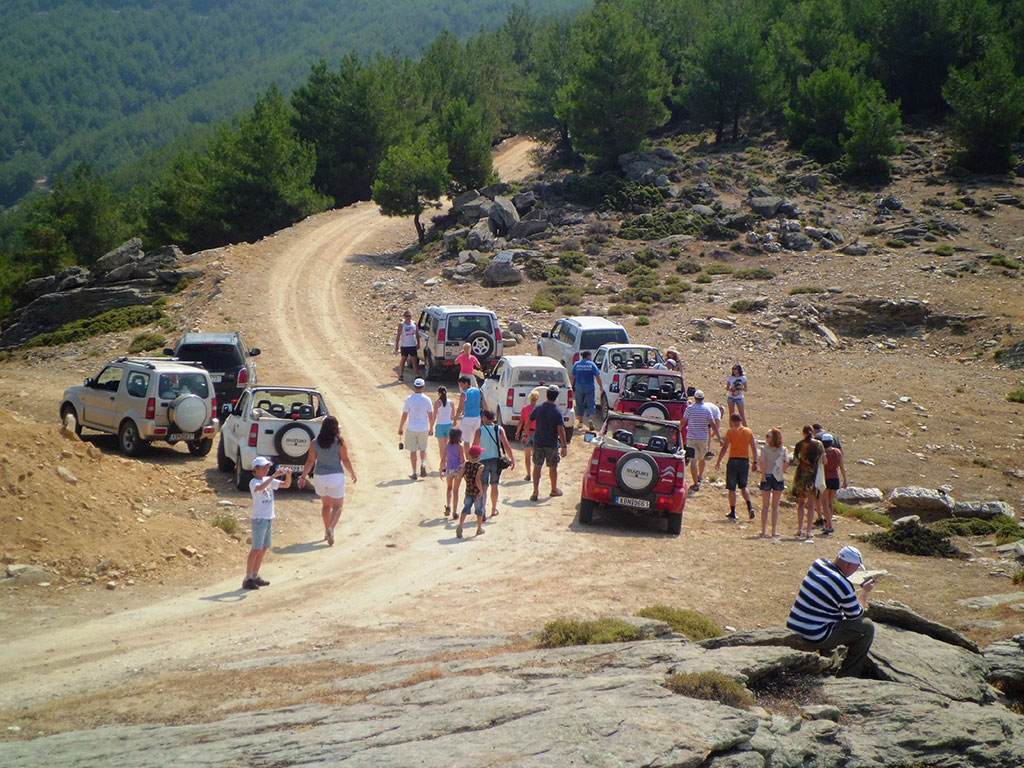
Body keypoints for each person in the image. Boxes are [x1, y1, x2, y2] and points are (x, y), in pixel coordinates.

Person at [787, 545, 876, 678]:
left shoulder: (818, 565)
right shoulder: (845, 586)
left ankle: (829, 664)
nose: (856, 571)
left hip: (795, 624)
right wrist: (864, 592)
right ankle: (847, 675)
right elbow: (855, 615)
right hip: (815, 635)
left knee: (834, 618)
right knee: (867, 627)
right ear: (848, 566)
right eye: (856, 567)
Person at [298, 416, 356, 546]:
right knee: (338, 506)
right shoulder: (339, 442)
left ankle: (326, 531)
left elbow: (310, 461)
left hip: (320, 477)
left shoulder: (315, 442)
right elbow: (345, 459)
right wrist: (352, 473)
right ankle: (331, 528)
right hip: (336, 476)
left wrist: (303, 477)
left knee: (326, 506)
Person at [243, 457, 291, 590]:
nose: (266, 470)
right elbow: (260, 488)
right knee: (256, 549)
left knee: (263, 549)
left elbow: (285, 485)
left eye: (267, 468)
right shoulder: (254, 482)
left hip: (269, 518)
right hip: (259, 519)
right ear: (256, 468)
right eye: (263, 467)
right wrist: (274, 475)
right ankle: (248, 578)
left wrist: (288, 476)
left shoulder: (267, 480)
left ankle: (255, 575)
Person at [528, 385, 568, 502]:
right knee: (553, 467)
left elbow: (529, 422)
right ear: (556, 397)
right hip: (551, 443)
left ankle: (535, 491)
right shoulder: (557, 411)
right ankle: (553, 489)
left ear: (546, 395)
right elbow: (561, 429)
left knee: (537, 466)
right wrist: (564, 446)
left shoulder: (538, 408)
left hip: (538, 442)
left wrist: (526, 435)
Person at [473, 409, 515, 518]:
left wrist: (474, 461)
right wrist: (512, 459)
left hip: (483, 461)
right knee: (495, 485)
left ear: (486, 418)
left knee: (484, 487)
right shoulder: (499, 429)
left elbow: (475, 447)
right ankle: (493, 509)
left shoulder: (480, 430)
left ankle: (482, 511)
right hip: (496, 461)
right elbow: (506, 444)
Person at [715, 413, 758, 520]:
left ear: (732, 421)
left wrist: (719, 461)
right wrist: (755, 462)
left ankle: (733, 511)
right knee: (744, 486)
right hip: (745, 461)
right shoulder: (748, 431)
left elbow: (725, 448)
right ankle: (750, 507)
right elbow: (753, 447)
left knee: (732, 488)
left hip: (733, 460)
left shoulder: (731, 432)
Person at [680, 389, 721, 491]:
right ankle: (700, 476)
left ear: (694, 398)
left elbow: (683, 422)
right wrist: (719, 438)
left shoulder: (690, 409)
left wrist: (677, 430)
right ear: (703, 398)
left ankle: (695, 483)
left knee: (693, 461)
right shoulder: (707, 410)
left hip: (692, 438)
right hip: (703, 438)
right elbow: (713, 425)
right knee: (702, 458)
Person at [398, 377, 435, 480]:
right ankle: (423, 464)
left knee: (413, 451)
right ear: (423, 387)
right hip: (423, 428)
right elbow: (430, 415)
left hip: (412, 428)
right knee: (423, 449)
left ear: (414, 387)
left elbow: (405, 414)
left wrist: (401, 427)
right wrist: (431, 428)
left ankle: (414, 472)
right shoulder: (427, 399)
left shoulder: (409, 399)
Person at [793, 424, 825, 539]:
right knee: (811, 504)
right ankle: (808, 531)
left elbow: (796, 459)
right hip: (813, 476)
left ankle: (799, 529)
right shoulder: (819, 445)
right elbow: (824, 460)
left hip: (802, 475)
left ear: (803, 433)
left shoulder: (799, 445)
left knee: (801, 503)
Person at [758, 427, 790, 538]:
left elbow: (762, 462)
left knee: (765, 505)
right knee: (775, 506)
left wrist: (762, 476)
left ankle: (763, 531)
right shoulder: (783, 449)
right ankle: (774, 531)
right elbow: (787, 461)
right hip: (777, 477)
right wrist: (782, 471)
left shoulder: (764, 449)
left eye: (768, 436)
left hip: (766, 475)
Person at [456, 445, 486, 538]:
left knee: (466, 508)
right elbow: (477, 479)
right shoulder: (480, 466)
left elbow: (460, 475)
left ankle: (460, 526)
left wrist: (466, 480)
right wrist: (481, 490)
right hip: (477, 491)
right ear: (479, 455)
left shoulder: (466, 464)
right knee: (479, 510)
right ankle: (479, 528)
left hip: (468, 490)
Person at [820, 434, 847, 535]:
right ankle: (828, 523)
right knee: (830, 503)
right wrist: (845, 480)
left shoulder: (823, 453)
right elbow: (842, 467)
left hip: (825, 479)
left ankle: (829, 525)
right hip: (835, 478)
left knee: (825, 503)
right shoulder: (838, 452)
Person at [454, 375, 488, 453]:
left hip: (467, 419)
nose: (461, 387)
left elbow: (460, 408)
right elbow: (485, 404)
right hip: (477, 418)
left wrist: (455, 419)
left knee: (466, 441)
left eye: (461, 384)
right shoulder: (479, 391)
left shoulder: (464, 394)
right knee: (476, 440)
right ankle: (476, 457)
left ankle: (468, 459)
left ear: (466, 383)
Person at [570, 350, 603, 430]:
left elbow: (572, 377)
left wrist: (571, 387)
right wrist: (601, 386)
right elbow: (597, 376)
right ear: (588, 356)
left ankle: (580, 422)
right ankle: (590, 420)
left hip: (579, 387)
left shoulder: (576, 364)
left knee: (579, 404)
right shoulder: (592, 365)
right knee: (591, 404)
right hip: (589, 387)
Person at [440, 427, 464, 518]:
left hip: (449, 469)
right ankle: (455, 512)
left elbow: (443, 460)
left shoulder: (447, 446)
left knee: (449, 488)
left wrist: (441, 470)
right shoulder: (460, 447)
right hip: (458, 469)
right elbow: (463, 460)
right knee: (456, 491)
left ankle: (448, 506)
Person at [516, 390, 539, 481]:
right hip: (536, 434)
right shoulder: (539, 409)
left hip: (527, 434)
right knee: (536, 456)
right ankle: (535, 473)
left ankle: (528, 474)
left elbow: (521, 422)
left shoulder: (525, 409)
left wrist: (518, 432)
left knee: (527, 456)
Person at [394, 310, 420, 380]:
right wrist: (397, 345)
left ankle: (417, 374)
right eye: (407, 316)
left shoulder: (414, 323)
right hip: (404, 345)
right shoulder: (402, 325)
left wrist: (418, 343)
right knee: (403, 359)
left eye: (409, 316)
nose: (408, 317)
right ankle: (401, 374)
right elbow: (398, 335)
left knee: (414, 360)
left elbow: (417, 334)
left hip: (412, 344)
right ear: (404, 317)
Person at [433, 386, 454, 469]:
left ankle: (443, 465)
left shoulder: (437, 403)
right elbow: (453, 415)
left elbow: (434, 415)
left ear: (439, 393)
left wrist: (431, 426)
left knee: (441, 447)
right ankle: (449, 463)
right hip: (449, 425)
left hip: (440, 425)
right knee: (448, 446)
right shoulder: (451, 402)